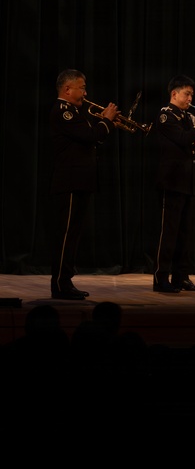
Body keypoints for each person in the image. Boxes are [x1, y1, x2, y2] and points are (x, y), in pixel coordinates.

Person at [48, 69, 119, 300]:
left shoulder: (75, 112)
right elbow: (91, 136)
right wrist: (106, 120)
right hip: (69, 181)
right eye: (81, 87)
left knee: (74, 235)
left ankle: (65, 281)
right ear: (67, 89)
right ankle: (60, 283)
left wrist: (103, 124)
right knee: (66, 234)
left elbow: (92, 134)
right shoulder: (63, 111)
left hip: (80, 182)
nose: (86, 92)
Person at [149, 75, 195, 293]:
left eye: (191, 94)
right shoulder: (165, 115)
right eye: (187, 94)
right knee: (168, 233)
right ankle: (160, 278)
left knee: (185, 234)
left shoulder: (189, 118)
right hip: (171, 182)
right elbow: (183, 139)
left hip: (188, 183)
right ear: (174, 94)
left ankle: (181, 277)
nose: (190, 98)